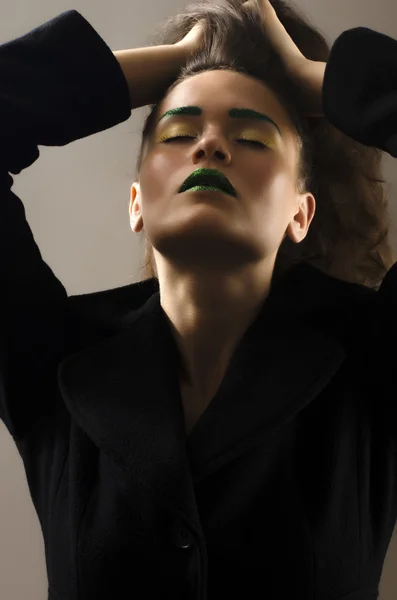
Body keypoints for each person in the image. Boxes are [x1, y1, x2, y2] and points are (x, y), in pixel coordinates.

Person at [1, 0, 397, 598]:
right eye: (180, 132)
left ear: (301, 212)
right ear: (137, 201)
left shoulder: (375, 359)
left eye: (253, 138)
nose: (211, 146)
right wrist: (181, 61)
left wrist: (318, 79)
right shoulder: (55, 359)